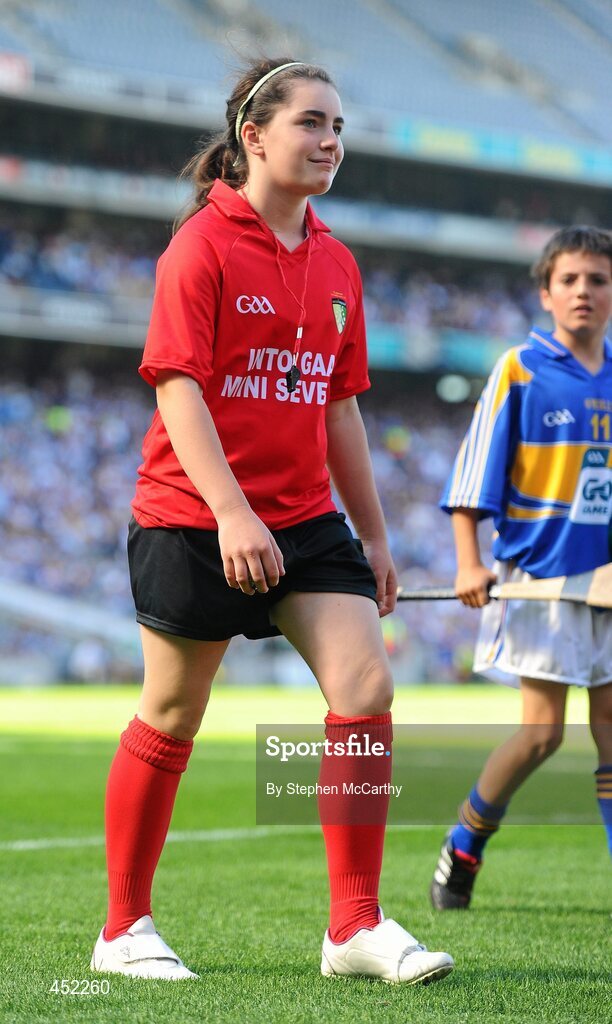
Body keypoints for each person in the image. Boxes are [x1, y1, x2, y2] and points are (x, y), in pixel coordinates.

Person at [90, 57, 454, 984]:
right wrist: (230, 514)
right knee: (173, 712)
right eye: (311, 123)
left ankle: (354, 928)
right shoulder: (200, 247)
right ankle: (122, 928)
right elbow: (177, 386)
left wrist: (372, 535)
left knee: (365, 687)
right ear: (254, 135)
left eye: (338, 128)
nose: (330, 142)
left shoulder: (336, 262)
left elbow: (337, 407)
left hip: (302, 521)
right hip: (191, 516)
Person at [430, 225, 612, 910]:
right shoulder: (520, 369)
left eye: (598, 279)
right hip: (540, 579)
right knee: (541, 734)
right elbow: (473, 474)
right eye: (569, 280)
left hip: (609, 583)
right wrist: (469, 563)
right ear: (546, 293)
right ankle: (466, 839)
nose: (584, 292)